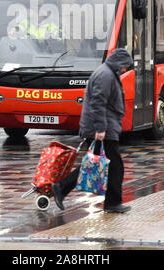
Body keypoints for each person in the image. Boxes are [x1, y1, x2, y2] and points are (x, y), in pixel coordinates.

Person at [52, 47, 133, 214]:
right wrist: (100, 128)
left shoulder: (108, 73)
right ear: (119, 63)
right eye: (126, 66)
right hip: (102, 129)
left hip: (104, 127)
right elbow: (98, 103)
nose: (126, 69)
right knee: (115, 166)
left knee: (96, 164)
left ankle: (62, 188)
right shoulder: (106, 75)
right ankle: (112, 203)